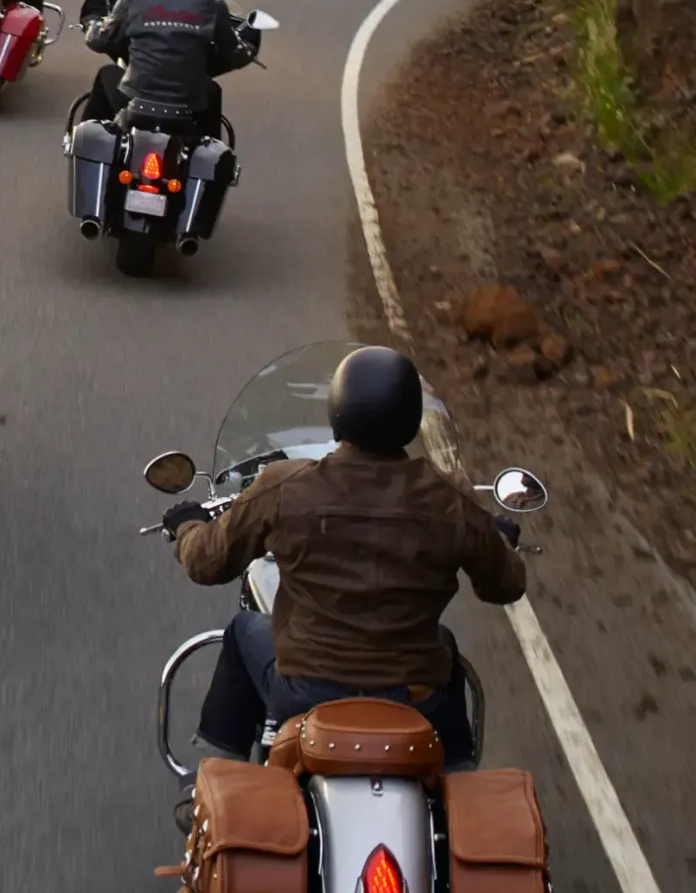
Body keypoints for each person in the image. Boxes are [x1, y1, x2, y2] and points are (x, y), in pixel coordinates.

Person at [160, 345, 526, 831]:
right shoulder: (451, 499)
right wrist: (499, 541)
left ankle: (210, 784)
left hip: (304, 693)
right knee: (444, 648)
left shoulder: (283, 486)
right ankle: (461, 788)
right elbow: (505, 585)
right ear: (411, 419)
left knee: (243, 630)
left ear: (338, 411)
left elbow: (206, 563)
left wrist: (187, 527)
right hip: (417, 698)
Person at [79, 0, 260, 141]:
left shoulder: (132, 0)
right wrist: (248, 47)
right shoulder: (212, 6)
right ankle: (206, 147)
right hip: (188, 109)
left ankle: (85, 142)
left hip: (134, 104)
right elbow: (235, 54)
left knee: (106, 74)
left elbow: (98, 40)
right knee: (212, 91)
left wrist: (91, 22)